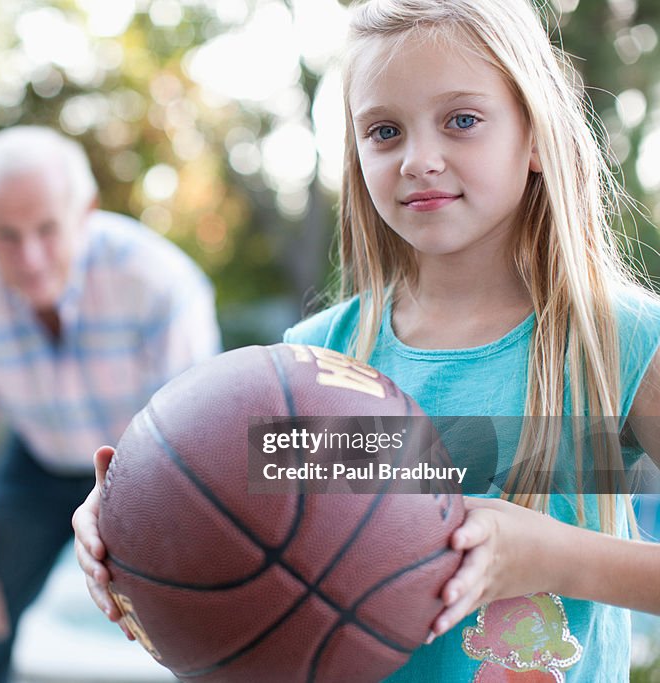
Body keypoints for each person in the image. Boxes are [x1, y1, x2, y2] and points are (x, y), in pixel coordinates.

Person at [72, 0, 660, 679]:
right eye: (384, 131)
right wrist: (128, 519)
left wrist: (561, 558)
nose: (420, 159)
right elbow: (222, 513)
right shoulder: (317, 361)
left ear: (532, 137)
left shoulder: (619, 342)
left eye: (461, 120)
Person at [0, 125, 220, 683]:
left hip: (151, 469)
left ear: (87, 211)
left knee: (210, 618)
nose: (29, 258)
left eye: (48, 229)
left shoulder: (158, 281)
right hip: (37, 462)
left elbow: (195, 439)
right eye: (6, 236)